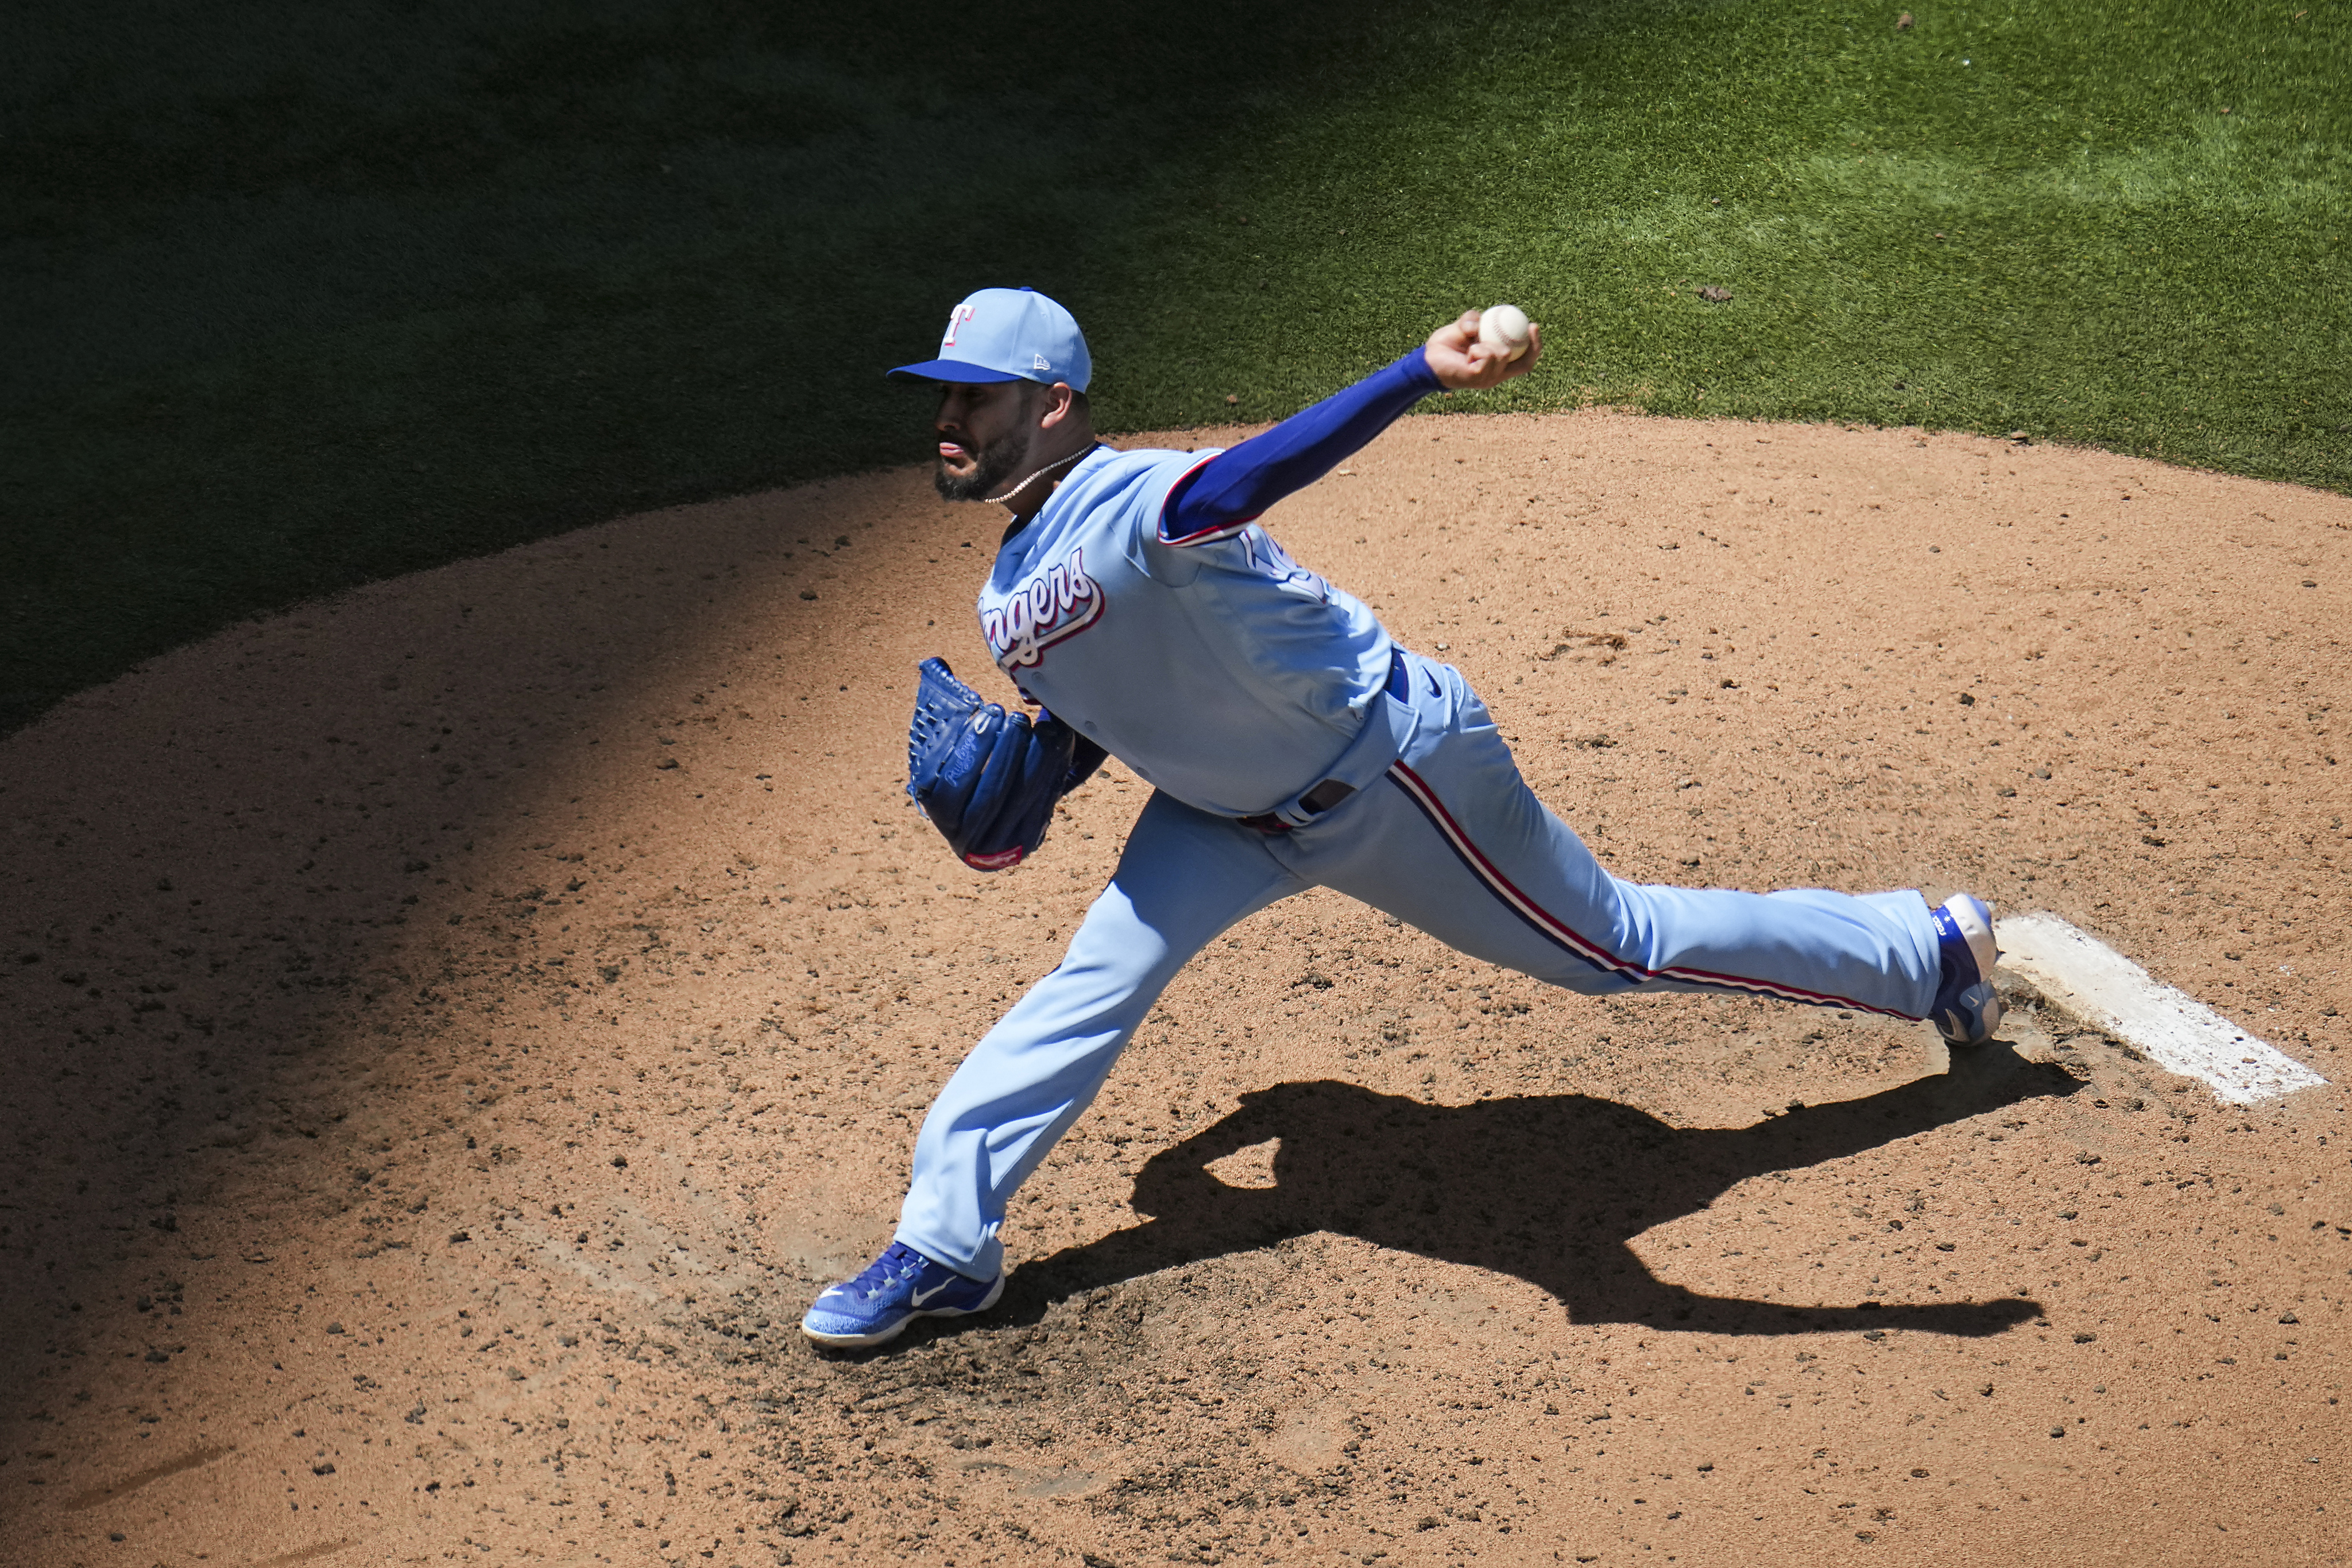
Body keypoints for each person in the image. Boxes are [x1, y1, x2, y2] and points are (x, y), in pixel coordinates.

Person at [799, 285, 2002, 1348]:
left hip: (1392, 769)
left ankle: (1924, 951)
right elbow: (1106, 719)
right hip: (1215, 817)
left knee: (1613, 948)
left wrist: (1418, 374)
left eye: (976, 397)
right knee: (1086, 985)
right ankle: (945, 1247)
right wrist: (1027, 786)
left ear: (1054, 402)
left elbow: (1258, 469)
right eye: (942, 399)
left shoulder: (1142, 498)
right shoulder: (1003, 594)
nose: (947, 422)